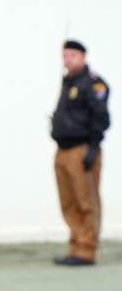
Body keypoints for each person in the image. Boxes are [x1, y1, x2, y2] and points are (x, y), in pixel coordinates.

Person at [51, 40, 110, 266]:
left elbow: (100, 116)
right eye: (65, 56)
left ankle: (87, 249)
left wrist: (93, 146)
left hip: (81, 149)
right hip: (63, 150)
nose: (68, 60)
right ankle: (75, 246)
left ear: (83, 57)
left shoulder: (93, 84)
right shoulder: (69, 82)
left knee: (86, 201)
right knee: (69, 202)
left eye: (72, 55)